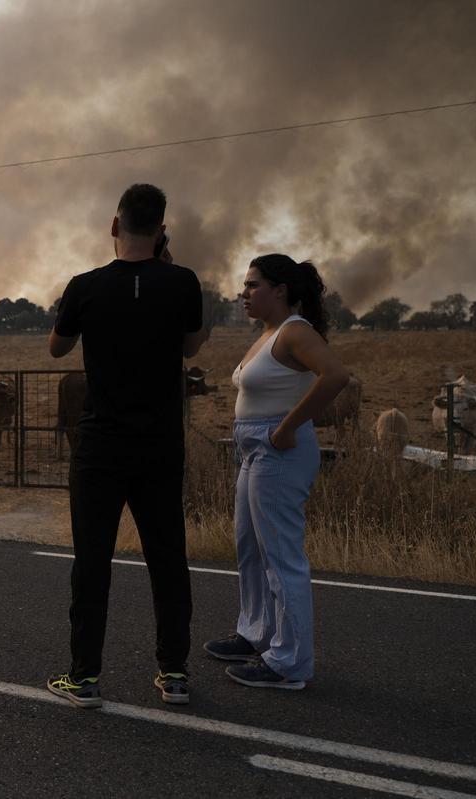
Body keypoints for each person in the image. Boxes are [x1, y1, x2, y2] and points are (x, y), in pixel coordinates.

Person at [46, 183, 209, 707]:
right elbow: (190, 346)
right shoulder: (183, 282)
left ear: (114, 226)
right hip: (160, 444)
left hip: (100, 446)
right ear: (162, 230)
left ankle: (84, 677)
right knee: (168, 557)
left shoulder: (85, 285)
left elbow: (57, 348)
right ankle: (175, 673)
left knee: (91, 561)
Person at [204, 254, 349, 690]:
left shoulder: (295, 331)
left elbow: (336, 375)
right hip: (254, 449)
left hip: (277, 449)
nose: (243, 294)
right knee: (249, 548)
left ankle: (289, 663)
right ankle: (256, 634)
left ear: (280, 290)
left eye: (253, 286)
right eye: (244, 286)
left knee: (281, 558)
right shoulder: (268, 334)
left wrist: (288, 427)